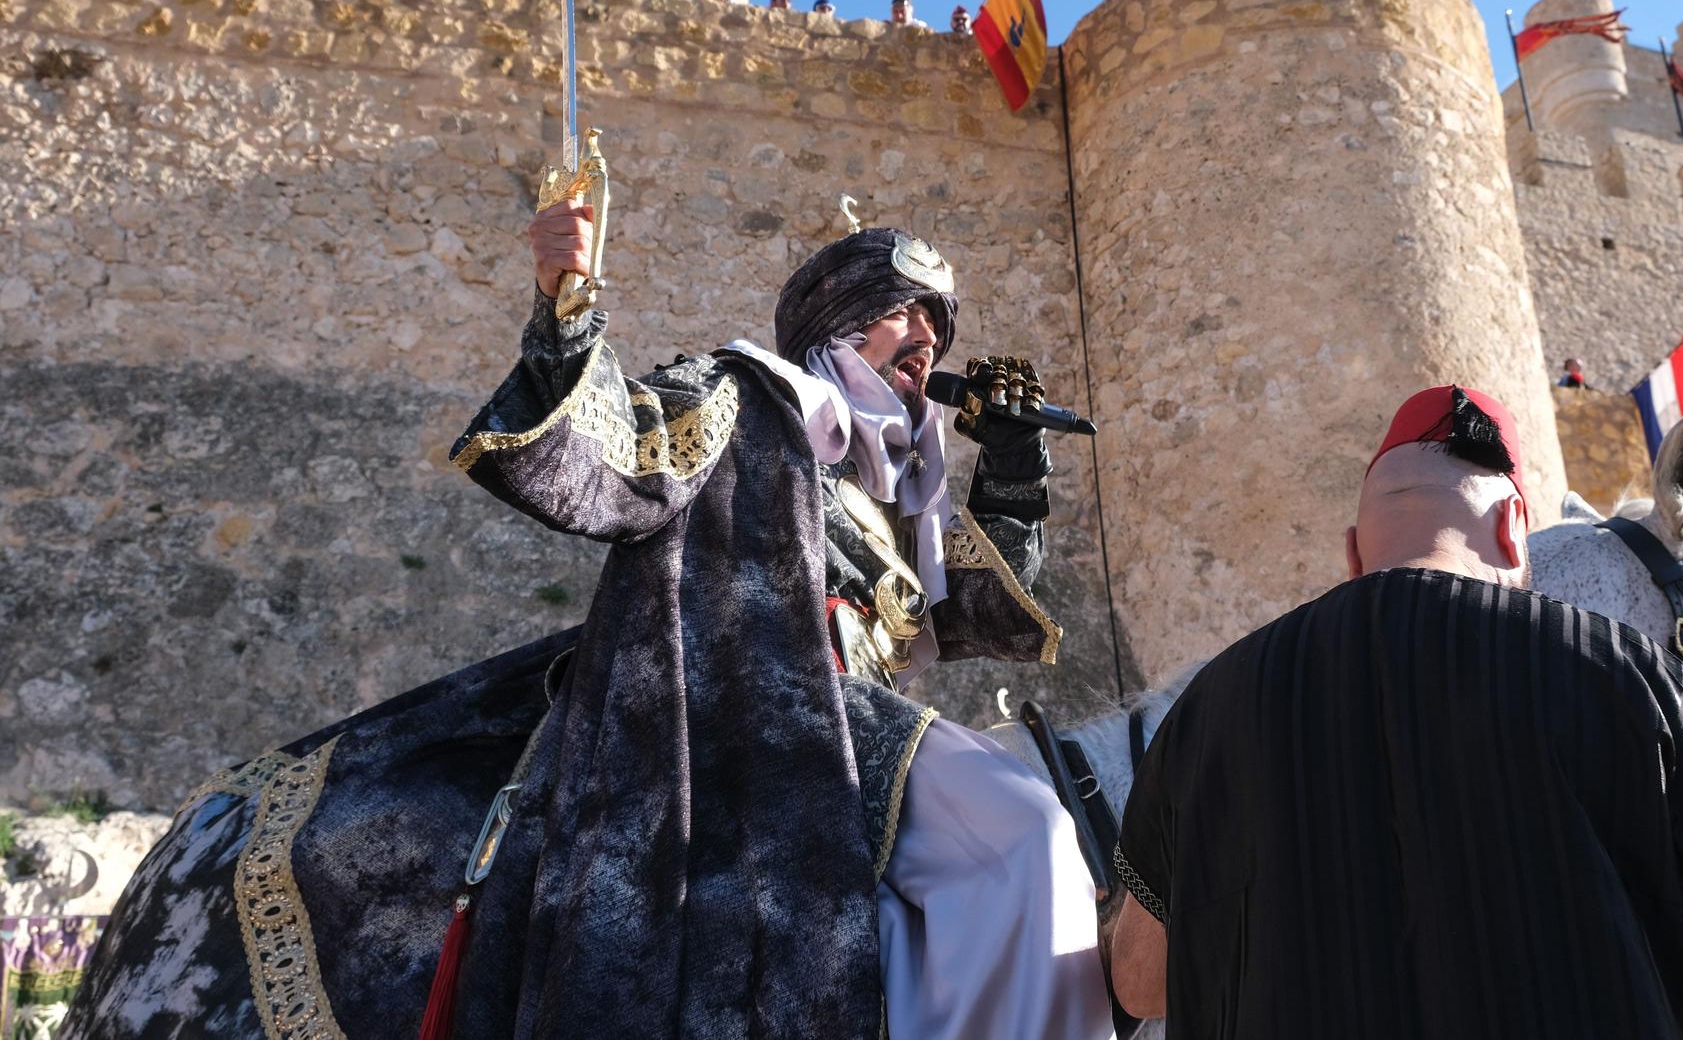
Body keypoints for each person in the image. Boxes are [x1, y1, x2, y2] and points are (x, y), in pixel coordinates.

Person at [69, 215, 1111, 1040]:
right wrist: (566, 314)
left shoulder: (889, 490)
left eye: (941, 321)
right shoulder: (749, 395)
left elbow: (968, 614)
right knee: (1022, 829)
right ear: (839, 319)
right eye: (905, 313)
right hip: (744, 720)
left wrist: (1012, 464)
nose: (930, 338)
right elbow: (610, 460)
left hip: (842, 738)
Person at [1110, 383, 1683, 1039]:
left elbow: (1140, 984)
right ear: (1514, 532)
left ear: (1353, 552)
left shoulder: (1204, 714)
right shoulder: (1637, 678)